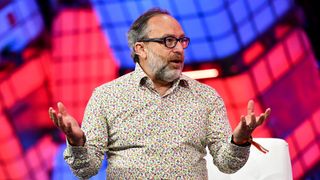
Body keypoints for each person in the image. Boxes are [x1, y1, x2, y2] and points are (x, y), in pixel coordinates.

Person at [48, 8, 271, 179]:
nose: (179, 49)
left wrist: (239, 140)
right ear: (140, 49)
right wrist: (76, 142)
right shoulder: (106, 97)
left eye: (182, 41)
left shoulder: (206, 97)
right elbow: (87, 169)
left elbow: (227, 164)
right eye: (168, 41)